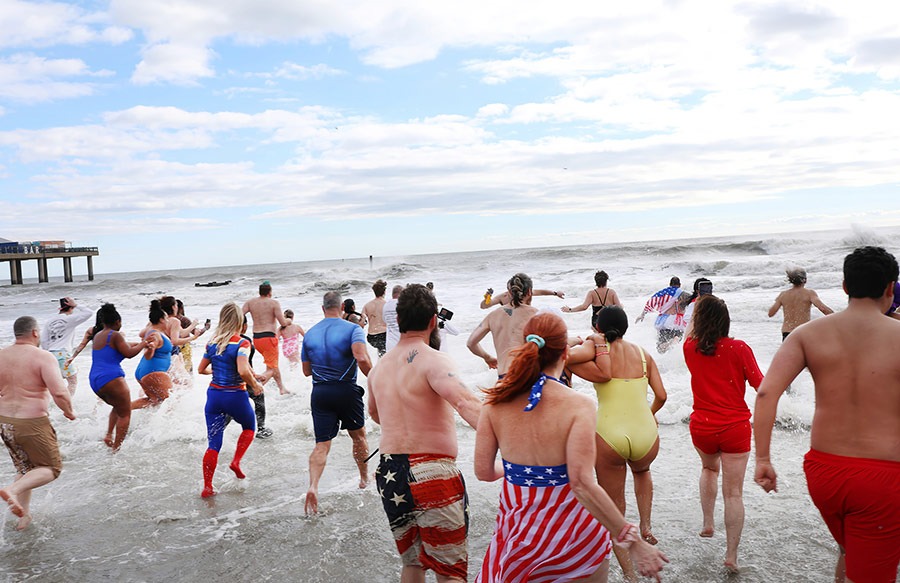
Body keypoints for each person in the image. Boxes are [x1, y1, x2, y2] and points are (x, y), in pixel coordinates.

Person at [474, 312, 668, 583]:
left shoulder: (495, 401)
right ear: (565, 352)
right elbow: (581, 483)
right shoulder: (580, 406)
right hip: (575, 539)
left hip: (519, 535)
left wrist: (522, 471)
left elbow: (483, 471)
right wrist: (631, 539)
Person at [754, 246, 900, 583]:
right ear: (890, 287)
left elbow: (766, 393)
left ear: (845, 286)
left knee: (852, 551)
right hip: (883, 479)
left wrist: (763, 458)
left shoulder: (807, 335)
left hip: (825, 473)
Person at [367, 284, 483, 582]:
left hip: (390, 472)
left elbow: (375, 414)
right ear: (434, 320)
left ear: (398, 320)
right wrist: (513, 441)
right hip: (432, 474)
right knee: (450, 571)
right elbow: (466, 404)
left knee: (413, 563)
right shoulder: (434, 360)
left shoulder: (379, 368)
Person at [567, 306, 667, 582]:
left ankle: (630, 575)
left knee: (615, 509)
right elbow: (662, 395)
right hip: (646, 433)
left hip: (609, 434)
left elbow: (567, 362)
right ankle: (646, 525)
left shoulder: (599, 353)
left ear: (599, 328)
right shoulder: (644, 355)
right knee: (642, 471)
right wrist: (650, 414)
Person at [683, 295, 763, 573]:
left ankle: (708, 522)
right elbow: (760, 385)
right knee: (734, 494)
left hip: (702, 427)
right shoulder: (739, 348)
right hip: (734, 429)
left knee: (708, 469)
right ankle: (731, 555)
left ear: (700, 321)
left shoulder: (689, 347)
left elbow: (695, 336)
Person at [0, 316, 76, 530]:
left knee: (26, 468)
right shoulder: (43, 356)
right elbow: (59, 391)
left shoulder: (1, 355)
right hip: (31, 422)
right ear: (35, 333)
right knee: (51, 468)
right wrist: (69, 412)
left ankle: (24, 516)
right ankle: (12, 491)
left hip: (5, 422)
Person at [301, 291, 373, 514]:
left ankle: (313, 486)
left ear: (322, 308)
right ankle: (363, 479)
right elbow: (361, 358)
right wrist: (378, 379)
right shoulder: (353, 329)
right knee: (358, 436)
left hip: (320, 392)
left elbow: (306, 371)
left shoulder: (310, 333)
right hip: (346, 390)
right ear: (342, 307)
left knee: (322, 444)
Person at [197, 303, 265, 498]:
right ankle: (236, 461)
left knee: (213, 444)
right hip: (235, 396)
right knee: (249, 427)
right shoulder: (242, 343)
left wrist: (219, 372)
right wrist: (255, 385)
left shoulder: (211, 343)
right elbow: (242, 370)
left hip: (214, 397)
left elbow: (201, 369)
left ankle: (208, 487)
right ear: (239, 321)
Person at [87, 304, 147, 449]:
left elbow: (119, 350)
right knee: (125, 414)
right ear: (117, 322)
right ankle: (116, 449)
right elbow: (129, 353)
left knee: (118, 406)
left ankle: (108, 435)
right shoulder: (115, 335)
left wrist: (138, 344)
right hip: (111, 377)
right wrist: (144, 343)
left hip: (95, 380)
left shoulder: (98, 336)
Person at [467, 273, 538, 376]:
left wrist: (488, 357)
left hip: (504, 377)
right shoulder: (536, 314)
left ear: (509, 292)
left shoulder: (492, 316)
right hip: (526, 375)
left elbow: (471, 343)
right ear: (530, 292)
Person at [242, 281, 289, 394]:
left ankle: (281, 388)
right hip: (269, 338)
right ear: (270, 292)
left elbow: (238, 315)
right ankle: (256, 386)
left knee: (272, 365)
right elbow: (282, 323)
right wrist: (288, 320)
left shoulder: (250, 302)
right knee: (272, 369)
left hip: (256, 339)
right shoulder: (274, 303)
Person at [41, 297, 93, 395]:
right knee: (72, 381)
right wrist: (76, 305)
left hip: (50, 355)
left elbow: (44, 341)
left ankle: (52, 403)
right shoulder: (69, 319)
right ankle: (67, 404)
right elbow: (89, 313)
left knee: (55, 382)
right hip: (63, 354)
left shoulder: (49, 321)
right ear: (70, 307)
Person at [132, 300, 175, 410]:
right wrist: (151, 348)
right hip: (154, 371)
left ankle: (122, 409)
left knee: (154, 400)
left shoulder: (150, 330)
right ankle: (170, 425)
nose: (167, 321)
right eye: (166, 319)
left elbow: (142, 336)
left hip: (143, 371)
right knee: (172, 400)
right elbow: (149, 353)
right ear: (161, 320)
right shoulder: (156, 335)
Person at [767, 268, 833, 340]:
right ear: (805, 280)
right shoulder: (809, 293)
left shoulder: (783, 295)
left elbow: (770, 313)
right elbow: (823, 308)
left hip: (787, 333)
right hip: (803, 331)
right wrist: (836, 317)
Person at [636, 277, 688, 353]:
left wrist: (642, 314)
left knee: (660, 349)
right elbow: (695, 301)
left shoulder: (662, 293)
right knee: (678, 339)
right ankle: (674, 340)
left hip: (663, 322)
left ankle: (666, 346)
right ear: (680, 285)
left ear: (670, 284)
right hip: (677, 323)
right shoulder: (683, 294)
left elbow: (651, 302)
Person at [479, 285, 563, 309]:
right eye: (511, 290)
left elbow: (540, 292)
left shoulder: (524, 293)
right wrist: (487, 297)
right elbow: (484, 306)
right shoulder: (503, 297)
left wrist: (555, 293)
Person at [362, 279, 388, 356]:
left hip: (371, 337)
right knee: (384, 352)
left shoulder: (367, 305)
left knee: (381, 351)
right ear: (384, 292)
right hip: (384, 335)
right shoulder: (386, 305)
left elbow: (361, 323)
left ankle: (380, 361)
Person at [383, 284, 403, 352]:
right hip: (402, 342)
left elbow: (384, 320)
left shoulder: (386, 305)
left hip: (390, 344)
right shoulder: (403, 304)